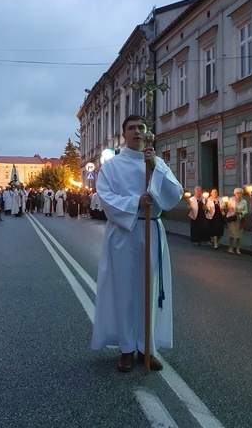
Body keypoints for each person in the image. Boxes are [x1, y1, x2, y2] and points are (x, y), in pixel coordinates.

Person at [91, 115, 183, 373]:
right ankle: (126, 349)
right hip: (124, 232)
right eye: (131, 128)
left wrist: (156, 167)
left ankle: (147, 349)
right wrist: (135, 202)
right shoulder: (112, 166)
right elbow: (105, 197)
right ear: (124, 134)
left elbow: (174, 193)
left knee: (149, 291)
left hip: (151, 230)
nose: (137, 132)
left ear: (147, 133)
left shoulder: (156, 162)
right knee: (125, 292)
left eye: (141, 128)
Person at [225, 188, 248, 254]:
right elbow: (228, 208)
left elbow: (246, 210)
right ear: (235, 193)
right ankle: (230, 247)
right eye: (237, 193)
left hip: (239, 219)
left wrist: (241, 212)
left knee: (239, 235)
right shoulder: (231, 199)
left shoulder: (244, 201)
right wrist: (229, 208)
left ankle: (238, 248)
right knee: (232, 234)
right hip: (232, 218)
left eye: (240, 193)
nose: (239, 194)